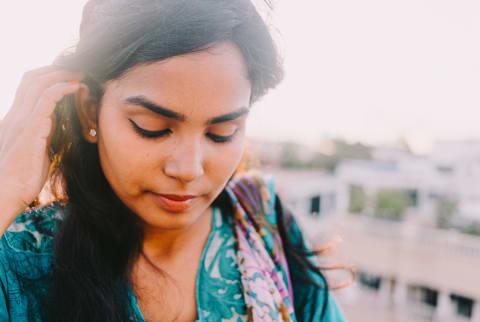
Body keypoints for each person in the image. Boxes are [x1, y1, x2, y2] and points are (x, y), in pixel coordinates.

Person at [0, 0, 347, 321]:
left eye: (222, 133)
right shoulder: (18, 258)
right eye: (152, 128)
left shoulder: (265, 223)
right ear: (90, 111)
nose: (188, 169)